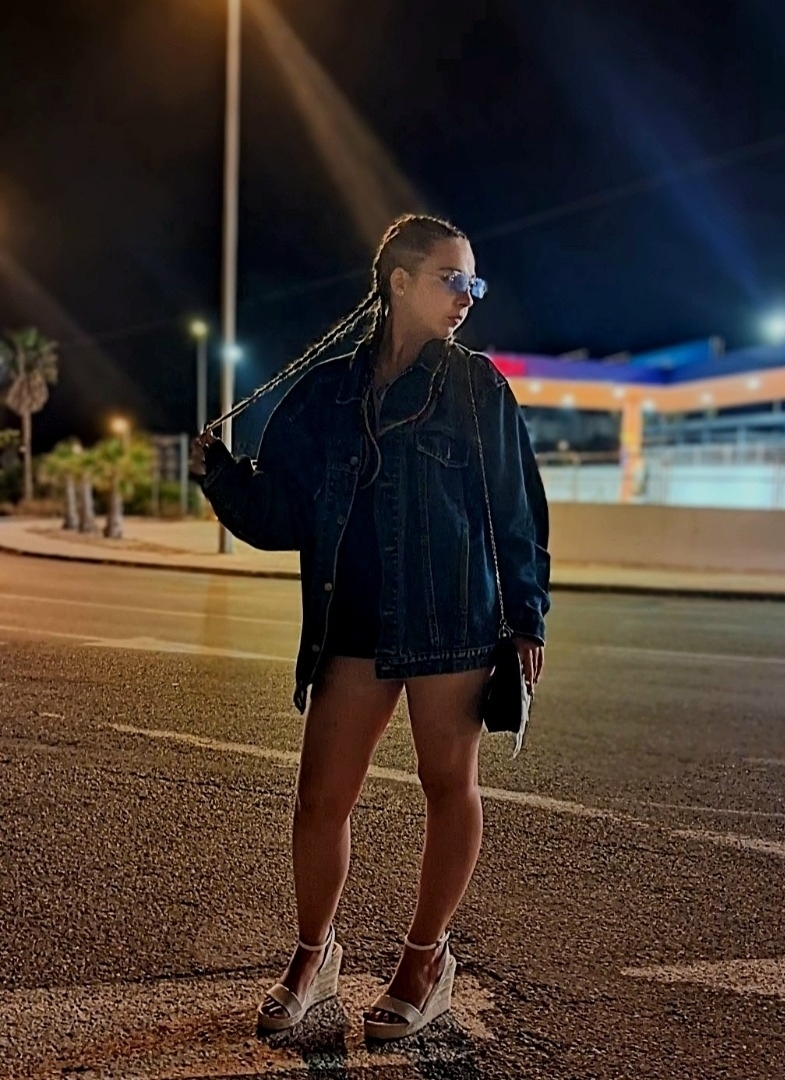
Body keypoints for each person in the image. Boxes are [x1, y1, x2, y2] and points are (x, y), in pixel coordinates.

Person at [190, 213, 550, 1041]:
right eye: (451, 279)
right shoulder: (325, 393)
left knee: (447, 785)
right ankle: (313, 957)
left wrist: (525, 617)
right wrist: (220, 476)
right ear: (398, 282)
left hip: (451, 620)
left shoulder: (476, 386)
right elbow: (284, 515)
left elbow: (516, 509)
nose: (467, 296)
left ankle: (424, 961)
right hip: (350, 621)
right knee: (320, 798)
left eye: (473, 282)